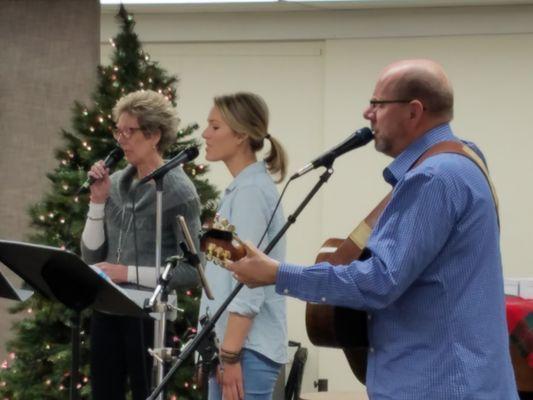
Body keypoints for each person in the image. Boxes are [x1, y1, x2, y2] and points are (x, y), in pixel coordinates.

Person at [227, 60, 519, 399]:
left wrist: (278, 273)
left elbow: (379, 282)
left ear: (414, 111)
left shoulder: (433, 178)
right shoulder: (466, 157)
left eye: (378, 104)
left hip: (438, 384)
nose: (368, 113)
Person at [80, 89, 201, 400]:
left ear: (154, 135)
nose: (121, 139)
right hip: (107, 310)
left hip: (149, 316)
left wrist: (125, 272)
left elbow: (191, 270)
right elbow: (91, 254)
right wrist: (97, 202)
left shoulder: (179, 191)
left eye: (129, 131)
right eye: (117, 130)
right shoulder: (118, 182)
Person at [198, 92, 288, 400]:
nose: (205, 134)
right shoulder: (241, 189)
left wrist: (231, 354)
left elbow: (250, 281)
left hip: (245, 350)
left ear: (241, 135)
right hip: (233, 345)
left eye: (214, 126)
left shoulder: (251, 192)